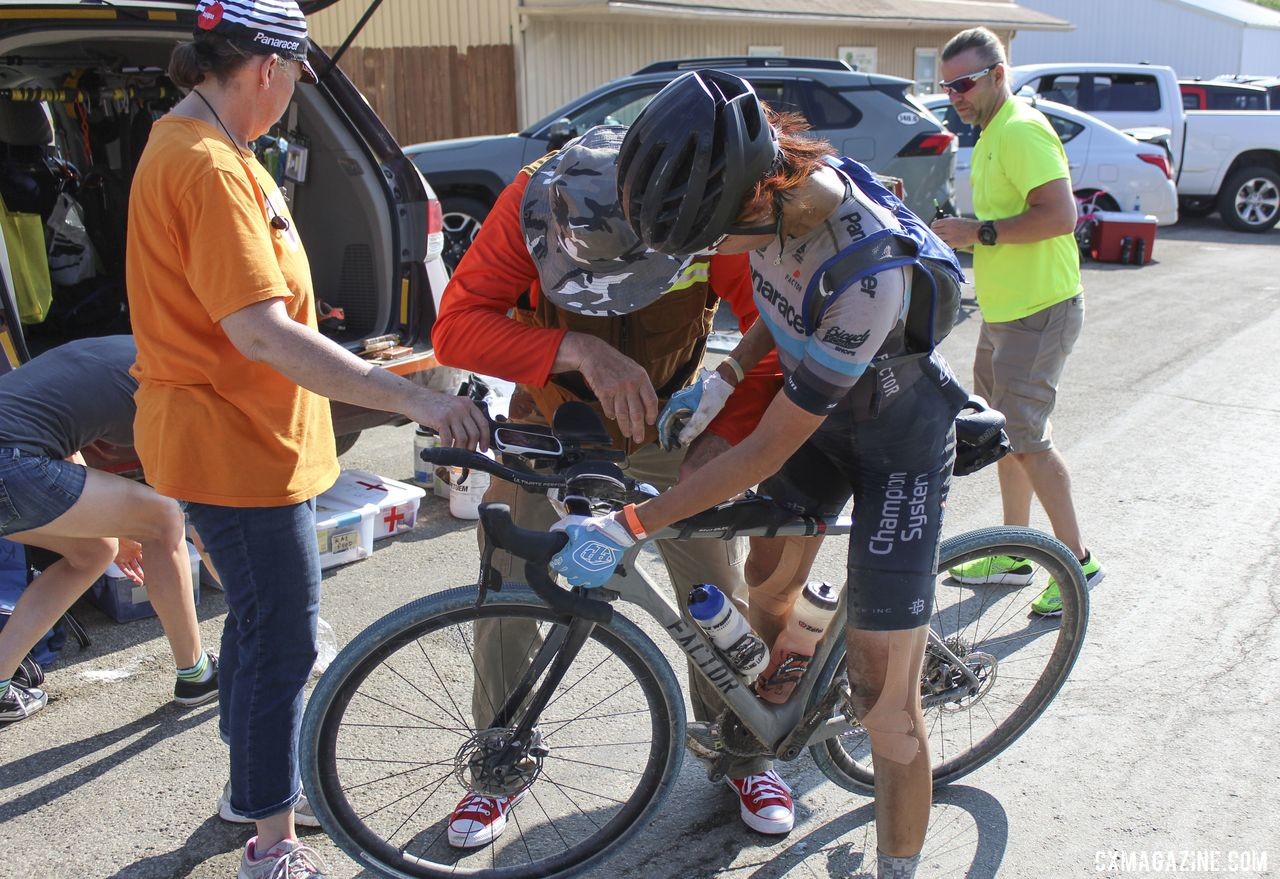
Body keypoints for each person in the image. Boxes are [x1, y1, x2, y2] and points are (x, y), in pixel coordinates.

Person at [548, 71, 971, 879]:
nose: (707, 258)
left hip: (896, 439)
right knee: (770, 592)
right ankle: (790, 719)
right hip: (820, 405)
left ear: (767, 190)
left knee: (888, 710)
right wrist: (727, 373)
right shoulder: (769, 196)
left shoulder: (865, 268)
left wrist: (633, 523)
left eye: (712, 238)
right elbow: (783, 310)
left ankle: (900, 863)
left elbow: (766, 452)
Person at [125, 3, 488, 877]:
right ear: (265, 69)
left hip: (246, 439)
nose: (294, 96)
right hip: (233, 446)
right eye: (298, 78)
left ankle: (248, 792)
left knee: (260, 628)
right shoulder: (205, 165)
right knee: (284, 639)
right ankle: (271, 843)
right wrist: (415, 401)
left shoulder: (211, 148)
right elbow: (262, 334)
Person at [431, 124, 795, 845]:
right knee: (507, 583)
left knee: (711, 587)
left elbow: (773, 329)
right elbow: (455, 329)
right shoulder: (529, 202)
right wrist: (573, 348)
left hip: (670, 418)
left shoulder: (704, 207)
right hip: (554, 418)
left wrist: (719, 441)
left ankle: (742, 747)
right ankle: (500, 762)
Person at [929, 27, 1103, 615]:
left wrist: (976, 233)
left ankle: (1078, 563)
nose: (954, 94)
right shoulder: (989, 132)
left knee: (1028, 441)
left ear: (999, 74)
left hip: (1039, 311)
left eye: (964, 82)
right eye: (946, 84)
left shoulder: (1021, 130)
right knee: (1003, 434)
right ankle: (1014, 553)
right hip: (1006, 312)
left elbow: (1059, 216)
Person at [0, 335, 215, 726]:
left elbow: (65, 447)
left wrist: (115, 531)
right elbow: (204, 517)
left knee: (93, 552)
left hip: (12, 464)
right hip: (11, 465)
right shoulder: (174, 383)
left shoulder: (130, 352)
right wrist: (258, 611)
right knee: (167, 518)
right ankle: (196, 675)